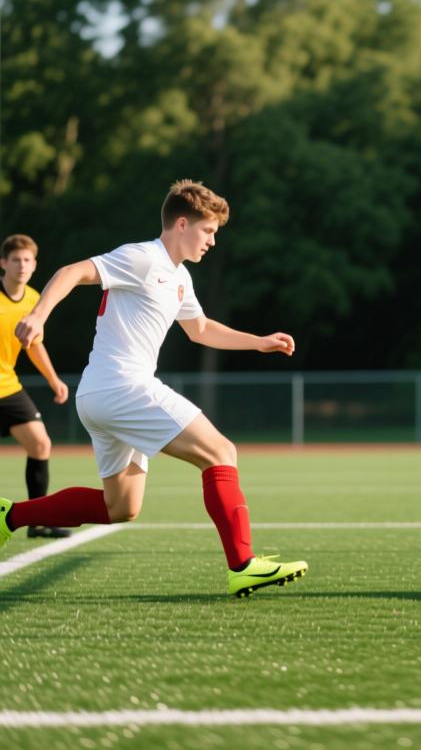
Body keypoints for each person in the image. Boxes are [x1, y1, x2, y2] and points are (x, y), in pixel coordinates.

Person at [6, 180, 308, 598]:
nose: (213, 241)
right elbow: (73, 271)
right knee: (221, 452)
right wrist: (38, 316)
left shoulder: (179, 277)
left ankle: (10, 515)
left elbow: (200, 330)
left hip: (100, 395)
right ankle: (243, 565)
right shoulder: (144, 257)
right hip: (122, 386)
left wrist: (259, 341)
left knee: (121, 507)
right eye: (208, 230)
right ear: (181, 224)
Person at [0, 234, 72, 539]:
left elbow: (33, 346)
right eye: (15, 260)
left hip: (7, 387)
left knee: (40, 444)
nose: (21, 265)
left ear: (35, 265)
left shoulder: (33, 299)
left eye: (27, 260)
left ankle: (37, 521)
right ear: (3, 263)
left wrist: (54, 380)